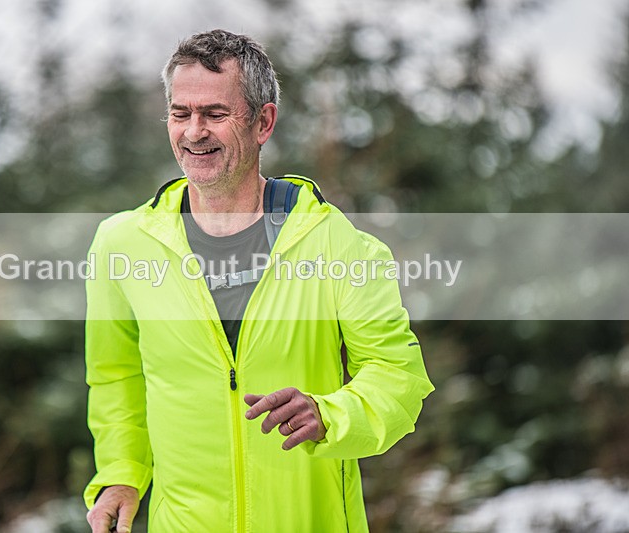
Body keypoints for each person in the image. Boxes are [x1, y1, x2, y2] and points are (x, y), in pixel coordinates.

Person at [84, 29, 433, 533]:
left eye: (216, 114)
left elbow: (397, 375)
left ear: (263, 121)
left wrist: (330, 413)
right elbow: (116, 377)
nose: (194, 131)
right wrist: (121, 474)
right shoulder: (122, 245)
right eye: (180, 113)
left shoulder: (336, 244)